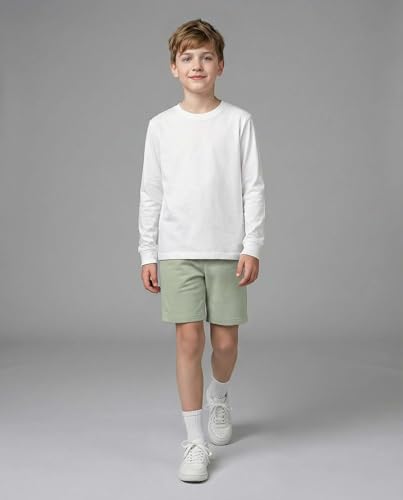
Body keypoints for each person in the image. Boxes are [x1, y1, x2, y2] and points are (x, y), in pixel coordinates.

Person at [138, 18, 266, 482]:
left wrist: (252, 245)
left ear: (221, 66)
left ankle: (219, 394)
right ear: (174, 67)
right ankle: (194, 442)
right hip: (178, 251)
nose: (197, 65)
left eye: (206, 57)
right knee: (189, 341)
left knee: (226, 344)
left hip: (227, 250)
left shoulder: (238, 122)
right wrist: (148, 252)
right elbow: (151, 193)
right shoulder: (160, 126)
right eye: (187, 57)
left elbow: (253, 187)